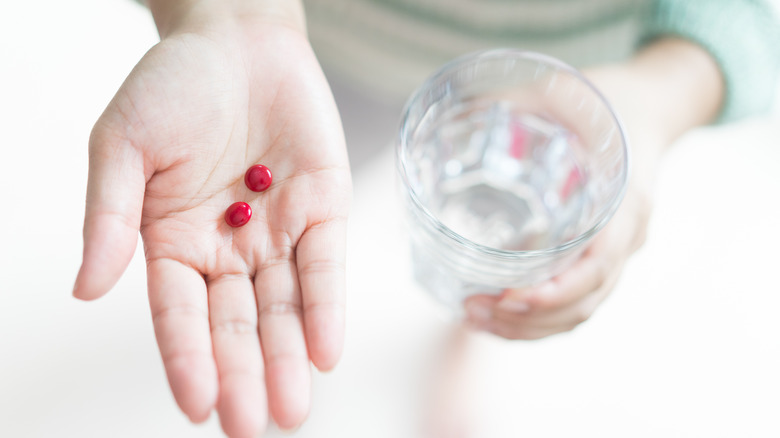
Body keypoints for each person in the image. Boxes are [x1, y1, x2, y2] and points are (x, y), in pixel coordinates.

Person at [72, 0, 780, 437]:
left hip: (565, 90)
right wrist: (225, 14)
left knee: (512, 265)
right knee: (300, 211)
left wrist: (664, 93)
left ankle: (470, 323)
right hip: (306, 54)